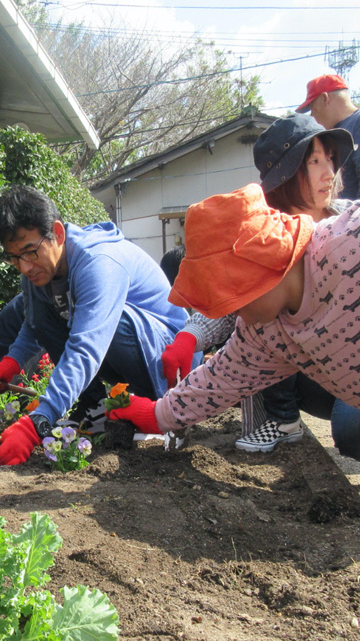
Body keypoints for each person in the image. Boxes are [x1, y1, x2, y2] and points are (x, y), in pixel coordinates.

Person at [161, 114, 360, 458]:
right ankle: (279, 422)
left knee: (349, 426)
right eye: (313, 161)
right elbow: (239, 309)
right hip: (331, 372)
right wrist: (191, 333)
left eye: (329, 159)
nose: (328, 172)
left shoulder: (348, 232)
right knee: (264, 335)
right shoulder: (261, 236)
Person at [108, 183, 360, 451]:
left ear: (257, 265)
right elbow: (221, 381)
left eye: (230, 299)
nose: (229, 313)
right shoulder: (265, 330)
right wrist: (156, 414)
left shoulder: (346, 243)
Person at [0, 185, 196, 466]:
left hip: (168, 360)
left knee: (106, 319)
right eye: (13, 257)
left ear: (57, 233)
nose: (24, 267)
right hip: (128, 349)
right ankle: (93, 406)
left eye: (29, 252)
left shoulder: (99, 263)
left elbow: (87, 347)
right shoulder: (38, 270)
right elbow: (35, 325)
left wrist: (37, 422)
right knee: (47, 311)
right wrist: (11, 362)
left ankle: (160, 407)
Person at [296, 73, 360, 200]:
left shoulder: (357, 123)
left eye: (312, 109)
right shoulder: (334, 133)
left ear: (325, 98)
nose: (312, 117)